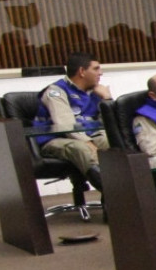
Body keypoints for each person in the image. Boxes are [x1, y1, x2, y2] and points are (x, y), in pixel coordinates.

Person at [30, 52, 111, 189]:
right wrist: (88, 143)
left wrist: (107, 99)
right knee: (82, 149)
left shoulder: (96, 91)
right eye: (96, 69)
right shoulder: (56, 92)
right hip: (56, 139)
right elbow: (65, 126)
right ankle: (112, 191)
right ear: (82, 71)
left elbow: (109, 124)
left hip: (89, 136)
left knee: (113, 142)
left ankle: (127, 188)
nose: (101, 73)